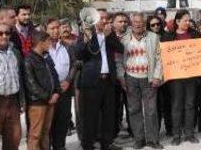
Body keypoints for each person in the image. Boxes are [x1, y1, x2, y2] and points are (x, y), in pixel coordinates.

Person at [75, 9, 124, 150]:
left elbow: (120, 49)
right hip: (91, 81)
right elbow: (78, 53)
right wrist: (86, 39)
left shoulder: (110, 34)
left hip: (108, 81)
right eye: (101, 18)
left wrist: (109, 37)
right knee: (90, 116)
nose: (103, 21)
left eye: (105, 18)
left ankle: (106, 143)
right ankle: (88, 144)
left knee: (108, 115)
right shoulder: (86, 33)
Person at [116, 13, 164, 149]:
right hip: (130, 78)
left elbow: (160, 59)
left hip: (148, 79)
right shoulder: (124, 39)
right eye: (136, 22)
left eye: (141, 22)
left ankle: (153, 140)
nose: (138, 24)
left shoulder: (154, 37)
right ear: (132, 23)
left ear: (145, 24)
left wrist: (157, 76)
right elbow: (119, 60)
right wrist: (121, 77)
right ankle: (139, 140)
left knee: (151, 111)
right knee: (134, 110)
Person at [160, 10, 200, 146]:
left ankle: (189, 134)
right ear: (177, 21)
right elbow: (163, 56)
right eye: (185, 20)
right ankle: (176, 135)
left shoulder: (196, 35)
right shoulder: (168, 37)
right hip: (175, 78)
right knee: (176, 106)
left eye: (189, 20)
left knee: (190, 105)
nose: (188, 23)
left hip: (191, 77)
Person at [45, 18, 77, 150]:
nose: (56, 30)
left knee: (63, 121)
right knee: (49, 124)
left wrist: (68, 80)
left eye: (57, 27)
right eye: (52, 28)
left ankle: (60, 146)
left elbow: (74, 64)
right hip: (49, 91)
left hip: (65, 90)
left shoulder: (67, 46)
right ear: (46, 30)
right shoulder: (42, 47)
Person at [25, 31, 60, 149]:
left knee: (46, 132)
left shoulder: (45, 57)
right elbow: (31, 84)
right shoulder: (29, 60)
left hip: (50, 101)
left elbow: (53, 76)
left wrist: (56, 92)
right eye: (48, 41)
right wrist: (47, 97)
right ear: (41, 42)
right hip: (37, 103)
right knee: (35, 134)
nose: (50, 43)